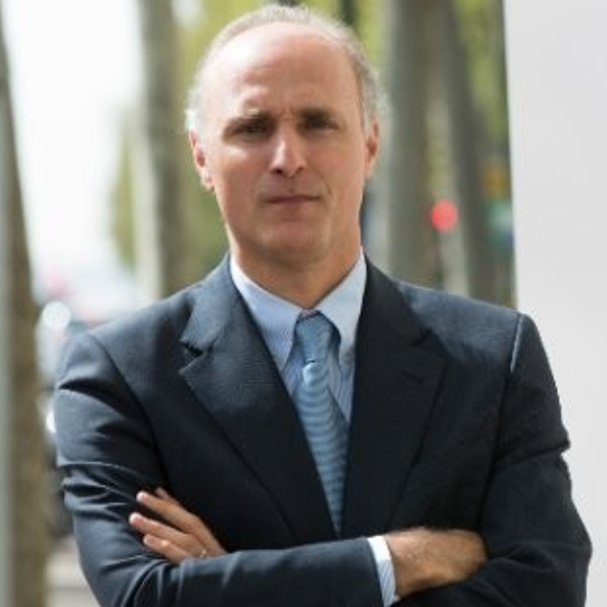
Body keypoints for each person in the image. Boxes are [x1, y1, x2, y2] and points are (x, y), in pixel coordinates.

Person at [53, 4, 591, 607]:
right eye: (252, 128)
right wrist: (397, 561)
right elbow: (141, 596)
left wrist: (230, 581)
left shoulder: (495, 359)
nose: (288, 157)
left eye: (317, 123)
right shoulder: (120, 377)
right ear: (201, 155)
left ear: (370, 143)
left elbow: (548, 588)